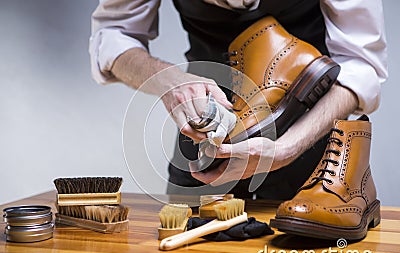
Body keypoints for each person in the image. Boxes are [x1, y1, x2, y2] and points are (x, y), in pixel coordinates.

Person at [89, 0, 387, 200]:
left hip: (315, 156)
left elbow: (361, 66)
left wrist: (285, 148)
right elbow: (114, 33)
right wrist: (170, 81)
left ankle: (291, 65)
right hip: (203, 152)